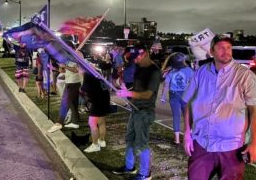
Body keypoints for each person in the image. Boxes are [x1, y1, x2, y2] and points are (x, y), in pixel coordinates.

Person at [182, 36, 256, 179]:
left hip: (232, 147)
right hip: (202, 144)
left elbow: (255, 111)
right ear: (212, 51)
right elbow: (187, 102)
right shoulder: (200, 73)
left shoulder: (245, 76)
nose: (226, 51)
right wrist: (187, 133)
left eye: (229, 48)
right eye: (221, 48)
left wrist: (255, 143)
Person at [113, 44, 161, 180]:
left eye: (136, 57)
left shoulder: (154, 71)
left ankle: (145, 173)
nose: (134, 60)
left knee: (142, 143)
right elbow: (137, 88)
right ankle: (129, 167)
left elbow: (147, 94)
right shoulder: (139, 68)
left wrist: (129, 92)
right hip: (135, 110)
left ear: (145, 53)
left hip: (145, 111)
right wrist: (124, 88)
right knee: (129, 139)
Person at [47, 42, 83, 133]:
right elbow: (63, 70)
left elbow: (76, 70)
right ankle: (75, 121)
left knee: (65, 102)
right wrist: (61, 67)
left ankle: (59, 123)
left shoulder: (77, 54)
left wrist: (65, 66)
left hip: (73, 82)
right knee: (72, 102)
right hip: (70, 81)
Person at [160, 52, 194, 144]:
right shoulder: (189, 70)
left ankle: (177, 139)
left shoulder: (170, 71)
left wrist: (163, 96)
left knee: (176, 116)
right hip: (186, 95)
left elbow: (166, 85)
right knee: (187, 116)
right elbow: (194, 83)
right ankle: (189, 135)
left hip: (173, 95)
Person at [81, 68, 111, 153]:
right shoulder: (98, 74)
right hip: (105, 99)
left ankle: (95, 145)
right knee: (101, 122)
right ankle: (102, 141)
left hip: (97, 102)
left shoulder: (87, 75)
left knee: (92, 123)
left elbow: (83, 89)